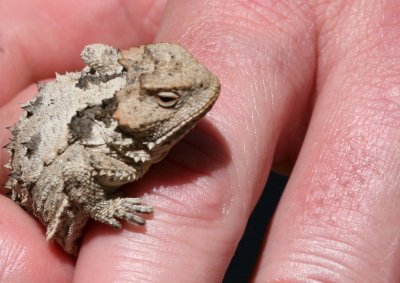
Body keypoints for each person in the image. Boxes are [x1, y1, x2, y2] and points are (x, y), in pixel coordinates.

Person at [0, 1, 399, 282]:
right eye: (169, 100)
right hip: (49, 202)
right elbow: (74, 171)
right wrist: (108, 205)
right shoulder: (106, 159)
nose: (207, 87)